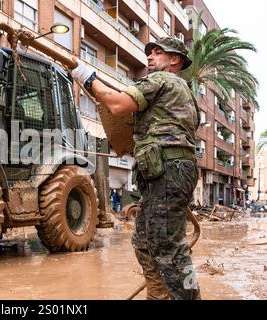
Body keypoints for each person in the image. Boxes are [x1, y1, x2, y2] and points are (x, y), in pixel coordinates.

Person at [71, 37, 201, 300]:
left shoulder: (161, 80)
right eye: (149, 53)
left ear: (174, 60)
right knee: (144, 242)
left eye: (158, 52)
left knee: (169, 247)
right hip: (168, 171)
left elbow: (118, 105)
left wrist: (85, 76)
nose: (150, 57)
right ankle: (158, 297)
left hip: (168, 170)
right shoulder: (185, 93)